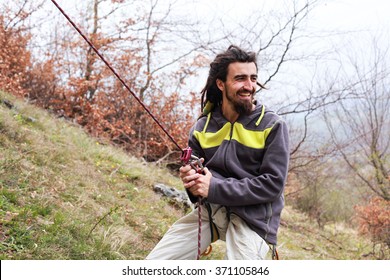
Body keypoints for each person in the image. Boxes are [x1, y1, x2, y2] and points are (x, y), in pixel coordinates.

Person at [146, 45, 289, 260]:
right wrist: (192, 181)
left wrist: (215, 187)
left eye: (253, 78)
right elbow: (198, 188)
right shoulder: (202, 127)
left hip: (252, 222)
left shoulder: (273, 125)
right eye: (240, 78)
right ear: (221, 84)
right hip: (210, 214)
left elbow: (272, 185)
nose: (249, 86)